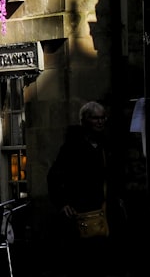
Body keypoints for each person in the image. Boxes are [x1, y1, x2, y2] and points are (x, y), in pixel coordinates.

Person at [47, 101, 122, 275]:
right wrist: (62, 203)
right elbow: (54, 177)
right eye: (95, 118)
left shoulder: (106, 145)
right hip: (81, 214)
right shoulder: (72, 147)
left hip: (106, 212)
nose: (100, 121)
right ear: (85, 120)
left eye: (103, 117)